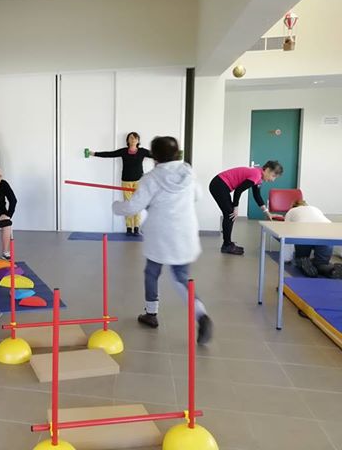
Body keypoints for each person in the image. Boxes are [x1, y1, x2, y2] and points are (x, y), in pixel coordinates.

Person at [112, 136, 212, 344]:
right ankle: (201, 315)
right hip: (185, 232)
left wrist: (116, 206)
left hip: (160, 234)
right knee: (181, 277)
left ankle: (151, 313)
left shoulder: (151, 178)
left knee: (152, 272)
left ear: (155, 156)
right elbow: (198, 196)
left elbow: (132, 207)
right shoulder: (188, 172)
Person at [209, 161, 283, 255]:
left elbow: (257, 196)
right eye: (273, 176)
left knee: (229, 214)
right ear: (267, 170)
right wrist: (236, 207)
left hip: (220, 184)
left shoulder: (258, 176)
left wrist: (267, 212)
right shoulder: (256, 175)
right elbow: (238, 191)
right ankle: (227, 245)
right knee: (230, 214)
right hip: (218, 185)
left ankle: (227, 243)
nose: (273, 180)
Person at [90, 132, 151, 235]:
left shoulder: (142, 151)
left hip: (139, 181)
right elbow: (110, 154)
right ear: (127, 140)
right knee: (128, 204)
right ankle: (128, 228)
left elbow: (157, 155)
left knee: (137, 204)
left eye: (135, 138)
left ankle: (136, 227)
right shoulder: (123, 151)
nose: (133, 140)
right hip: (126, 181)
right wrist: (94, 153)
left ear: (138, 141)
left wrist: (172, 156)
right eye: (131, 138)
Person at [285, 200, 341, 279]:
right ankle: (331, 270)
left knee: (301, 259)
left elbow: (286, 235)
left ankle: (303, 261)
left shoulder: (291, 211)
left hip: (305, 234)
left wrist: (287, 259)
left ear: (293, 206)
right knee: (322, 263)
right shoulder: (315, 208)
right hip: (328, 233)